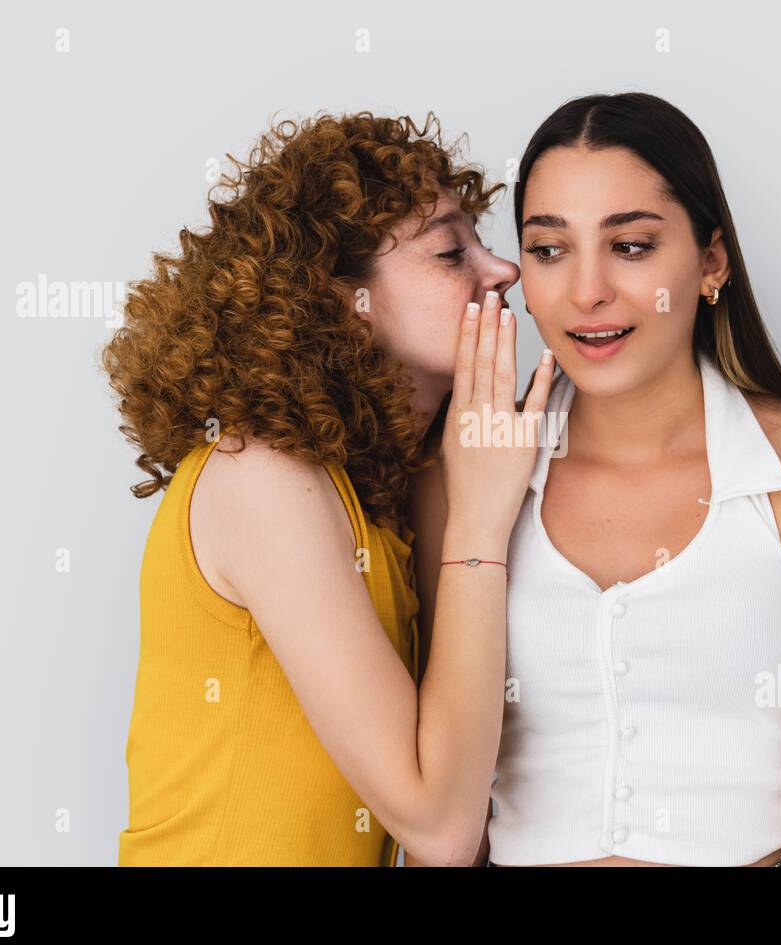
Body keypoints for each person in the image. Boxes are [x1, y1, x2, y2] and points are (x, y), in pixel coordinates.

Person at [408, 93, 781, 867]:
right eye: (548, 249)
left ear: (711, 261)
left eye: (630, 246)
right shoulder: (457, 475)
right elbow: (442, 813)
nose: (587, 290)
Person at [103, 110, 555, 866]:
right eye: (451, 251)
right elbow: (440, 829)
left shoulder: (389, 494)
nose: (504, 270)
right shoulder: (263, 477)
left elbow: (465, 817)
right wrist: (479, 523)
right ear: (340, 300)